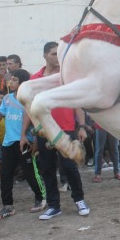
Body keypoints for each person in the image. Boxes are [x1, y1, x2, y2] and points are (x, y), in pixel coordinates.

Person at [27, 42, 90, 220]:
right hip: (44, 131)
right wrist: (30, 131)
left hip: (66, 129)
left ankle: (79, 200)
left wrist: (82, 126)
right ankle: (54, 206)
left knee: (69, 167)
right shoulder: (35, 79)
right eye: (54, 54)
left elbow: (77, 101)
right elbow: (29, 107)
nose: (57, 57)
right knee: (47, 169)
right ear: (45, 56)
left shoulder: (66, 75)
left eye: (58, 53)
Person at [0, 69, 46, 220]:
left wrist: (35, 141)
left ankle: (40, 197)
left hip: (25, 142)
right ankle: (8, 205)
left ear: (23, 83)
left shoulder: (30, 100)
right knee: (6, 174)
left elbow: (38, 122)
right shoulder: (7, 98)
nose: (10, 82)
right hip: (8, 142)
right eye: (10, 79)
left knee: (29, 172)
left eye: (14, 80)